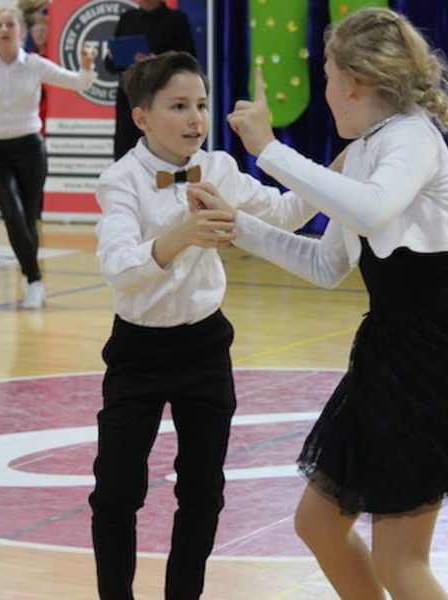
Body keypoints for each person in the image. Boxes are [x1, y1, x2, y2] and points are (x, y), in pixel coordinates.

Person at [187, 8, 448, 599]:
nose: (327, 91)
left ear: (353, 82)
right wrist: (237, 227)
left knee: (401, 562)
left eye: (328, 77)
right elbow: (325, 265)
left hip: (435, 353)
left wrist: (269, 148)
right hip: (389, 350)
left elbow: (371, 208)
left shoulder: (412, 136)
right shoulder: (365, 149)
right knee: (318, 525)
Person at [88, 50, 317, 600]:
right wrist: (180, 234)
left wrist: (337, 172)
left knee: (203, 491)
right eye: (178, 106)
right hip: (137, 353)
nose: (196, 119)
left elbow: (285, 212)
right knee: (116, 491)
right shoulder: (119, 181)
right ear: (142, 117)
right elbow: (118, 268)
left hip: (205, 347)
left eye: (201, 105)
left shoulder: (219, 169)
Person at [0, 7, 96, 309]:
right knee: (12, 217)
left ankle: (30, 278)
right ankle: (34, 277)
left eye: (10, 24)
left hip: (30, 148)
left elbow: (78, 83)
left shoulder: (34, 64)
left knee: (29, 219)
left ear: (21, 31)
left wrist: (87, 66)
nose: (4, 29)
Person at [104, 0, 196, 160]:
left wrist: (157, 62)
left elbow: (188, 63)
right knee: (125, 148)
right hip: (129, 98)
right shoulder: (127, 18)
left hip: (161, 97)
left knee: (160, 147)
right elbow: (110, 66)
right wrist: (113, 57)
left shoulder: (176, 19)